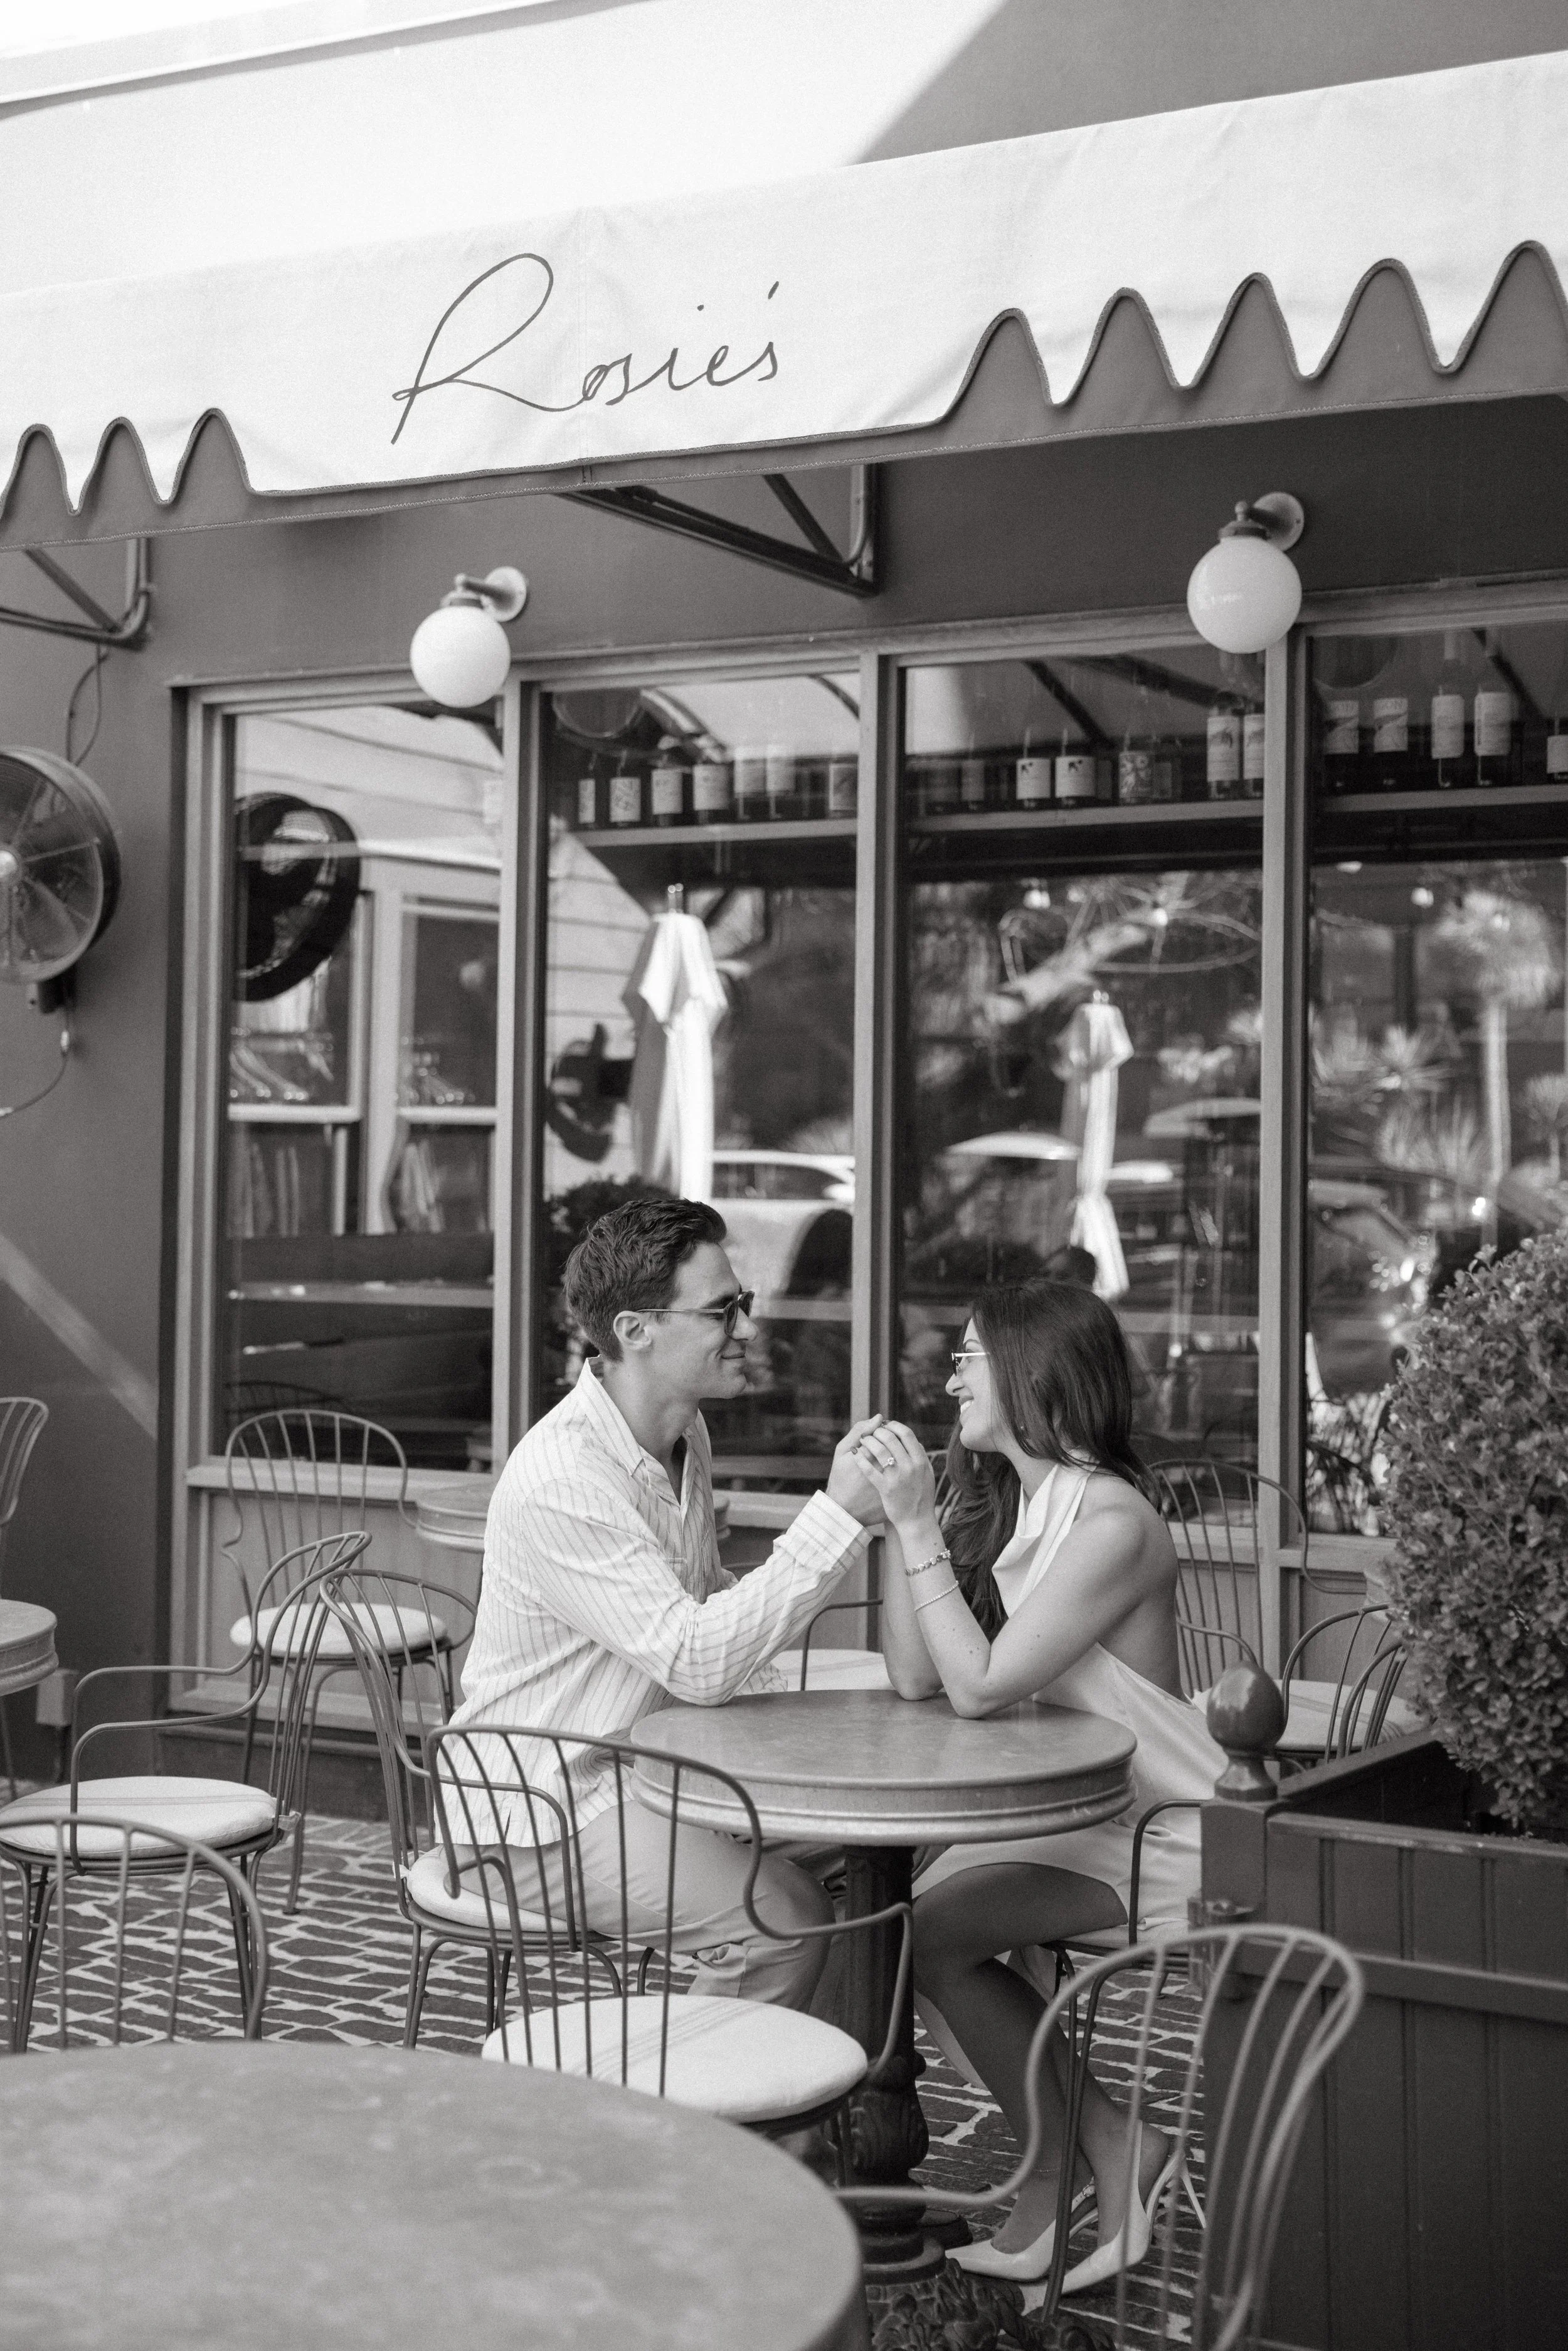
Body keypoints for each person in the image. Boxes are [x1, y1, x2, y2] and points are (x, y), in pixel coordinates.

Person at [849, 1278, 1221, 2290]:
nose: (950, 1380)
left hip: (1167, 1832)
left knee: (929, 1937)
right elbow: (918, 1676)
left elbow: (978, 1689)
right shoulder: (1026, 1502)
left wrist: (919, 1531)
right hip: (1084, 1814)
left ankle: (1082, 2161)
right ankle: (1092, 2157)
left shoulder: (1112, 1521)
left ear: (1032, 1370)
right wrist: (905, 1522)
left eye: (968, 1357)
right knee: (905, 1934)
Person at [444, 1194, 882, 2010]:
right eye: (721, 1310)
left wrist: (798, 1718)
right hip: (537, 1809)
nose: (746, 1327)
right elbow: (695, 1658)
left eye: (742, 1303)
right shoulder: (565, 1480)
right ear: (635, 1329)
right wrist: (837, 1517)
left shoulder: (684, 1434)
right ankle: (692, 2097)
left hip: (649, 1770)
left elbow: (701, 1603)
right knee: (781, 1918)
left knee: (875, 1847)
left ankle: (824, 2084)